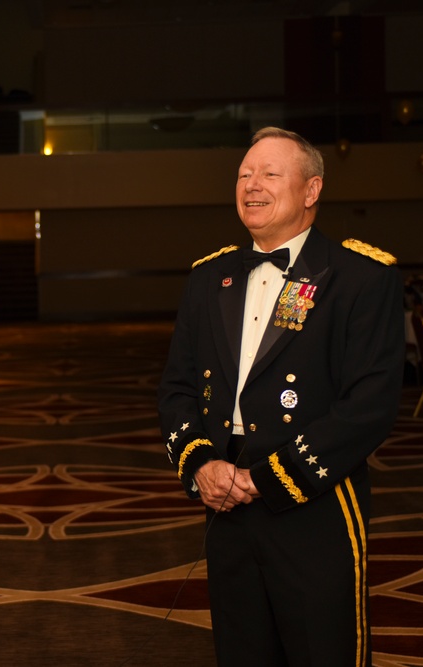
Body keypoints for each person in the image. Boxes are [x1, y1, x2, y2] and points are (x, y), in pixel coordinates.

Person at [158, 127, 404, 666]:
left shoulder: (361, 278)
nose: (252, 185)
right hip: (224, 498)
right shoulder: (209, 278)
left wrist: (268, 477)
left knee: (324, 651)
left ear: (311, 190)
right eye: (245, 174)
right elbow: (176, 388)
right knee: (243, 651)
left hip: (312, 497)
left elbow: (370, 404)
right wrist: (200, 463)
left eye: (270, 173)